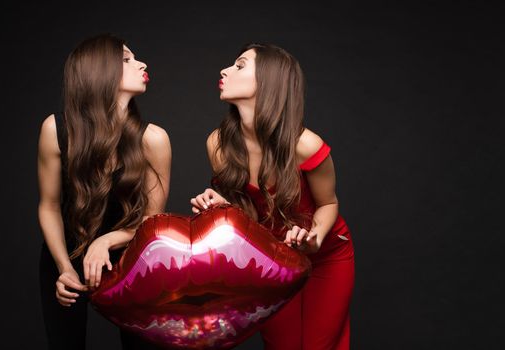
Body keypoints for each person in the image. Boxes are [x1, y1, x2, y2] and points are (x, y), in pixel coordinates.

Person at [190, 43, 355, 349]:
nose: (224, 70)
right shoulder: (218, 144)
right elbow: (252, 218)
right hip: (274, 258)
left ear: (268, 80)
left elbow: (329, 203)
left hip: (326, 257)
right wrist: (224, 208)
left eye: (240, 65)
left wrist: (314, 237)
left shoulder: (305, 144)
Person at [37, 33, 171, 349]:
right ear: (99, 71)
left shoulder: (154, 139)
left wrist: (106, 240)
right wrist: (64, 268)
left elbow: (153, 221)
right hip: (65, 255)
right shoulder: (55, 130)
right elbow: (49, 206)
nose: (142, 64)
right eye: (127, 58)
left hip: (132, 257)